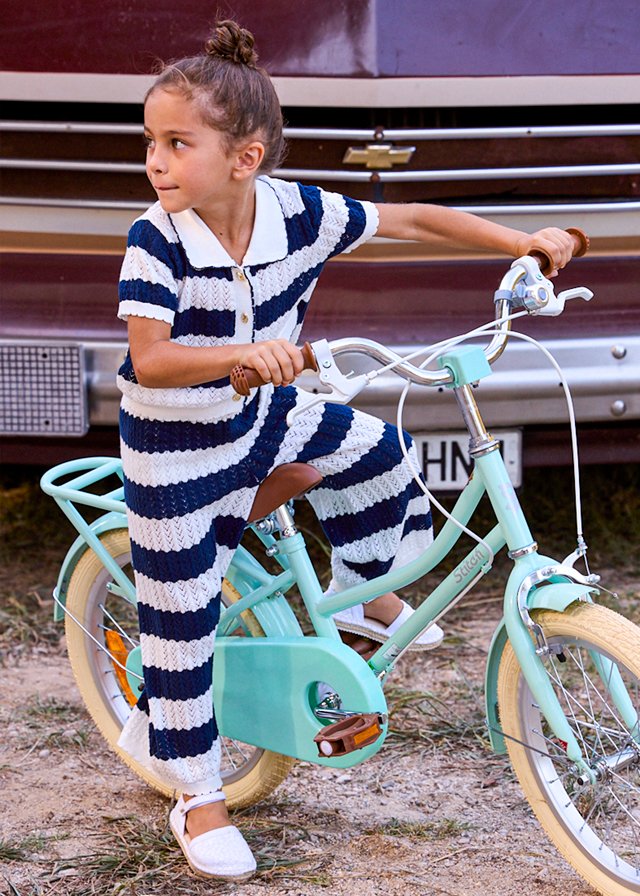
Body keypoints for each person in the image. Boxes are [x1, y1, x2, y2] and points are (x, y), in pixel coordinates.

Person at [115, 19, 577, 881]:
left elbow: (410, 217)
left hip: (265, 415)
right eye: (151, 141)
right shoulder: (157, 239)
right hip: (175, 450)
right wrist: (244, 354)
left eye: (177, 144)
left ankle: (363, 598)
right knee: (181, 626)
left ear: (246, 159)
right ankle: (198, 797)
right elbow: (151, 359)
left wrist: (520, 242)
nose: (156, 161)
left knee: (378, 450)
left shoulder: (300, 213)